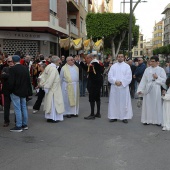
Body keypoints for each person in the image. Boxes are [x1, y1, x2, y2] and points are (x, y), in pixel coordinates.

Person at [137, 56, 167, 126]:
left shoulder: (161, 70)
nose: (151, 63)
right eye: (151, 61)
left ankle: (157, 120)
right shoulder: (147, 70)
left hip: (156, 88)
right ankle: (147, 120)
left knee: (157, 104)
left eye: (153, 61)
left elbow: (164, 80)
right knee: (147, 104)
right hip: (148, 89)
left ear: (157, 62)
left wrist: (157, 77)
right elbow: (143, 80)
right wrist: (140, 89)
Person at [8, 55, 33, 132]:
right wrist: (29, 91)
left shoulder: (13, 69)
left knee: (17, 108)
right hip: (23, 91)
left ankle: (18, 125)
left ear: (13, 61)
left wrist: (10, 90)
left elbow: (11, 82)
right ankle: (24, 124)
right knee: (24, 107)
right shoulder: (25, 68)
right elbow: (28, 80)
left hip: (15, 91)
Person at [108, 54, 133, 123]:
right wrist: (115, 81)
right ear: (117, 58)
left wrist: (121, 82)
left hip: (123, 88)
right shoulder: (113, 66)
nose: (120, 58)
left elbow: (128, 77)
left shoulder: (127, 66)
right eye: (119, 57)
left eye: (122, 57)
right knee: (114, 102)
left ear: (124, 58)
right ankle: (113, 116)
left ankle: (124, 117)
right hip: (114, 87)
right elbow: (110, 76)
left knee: (124, 102)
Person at [40, 56, 65, 123]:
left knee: (49, 103)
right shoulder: (53, 69)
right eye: (59, 61)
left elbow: (43, 76)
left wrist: (43, 85)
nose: (60, 62)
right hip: (54, 89)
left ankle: (49, 117)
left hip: (50, 88)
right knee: (54, 103)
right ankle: (53, 118)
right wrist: (47, 86)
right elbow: (51, 79)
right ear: (56, 61)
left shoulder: (48, 67)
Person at [80, 53, 104, 119]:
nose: (86, 59)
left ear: (91, 58)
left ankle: (92, 114)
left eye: (87, 58)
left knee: (92, 98)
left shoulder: (93, 64)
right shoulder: (99, 63)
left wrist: (81, 63)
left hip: (93, 83)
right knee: (97, 97)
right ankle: (98, 113)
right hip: (98, 83)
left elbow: (87, 70)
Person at [1, 56, 14, 127]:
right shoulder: (5, 68)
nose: (11, 63)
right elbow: (3, 76)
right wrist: (11, 76)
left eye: (12, 61)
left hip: (15, 91)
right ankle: (6, 121)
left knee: (17, 107)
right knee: (6, 107)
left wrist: (7, 75)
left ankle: (17, 121)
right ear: (7, 62)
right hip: (6, 91)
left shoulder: (16, 68)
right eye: (9, 61)